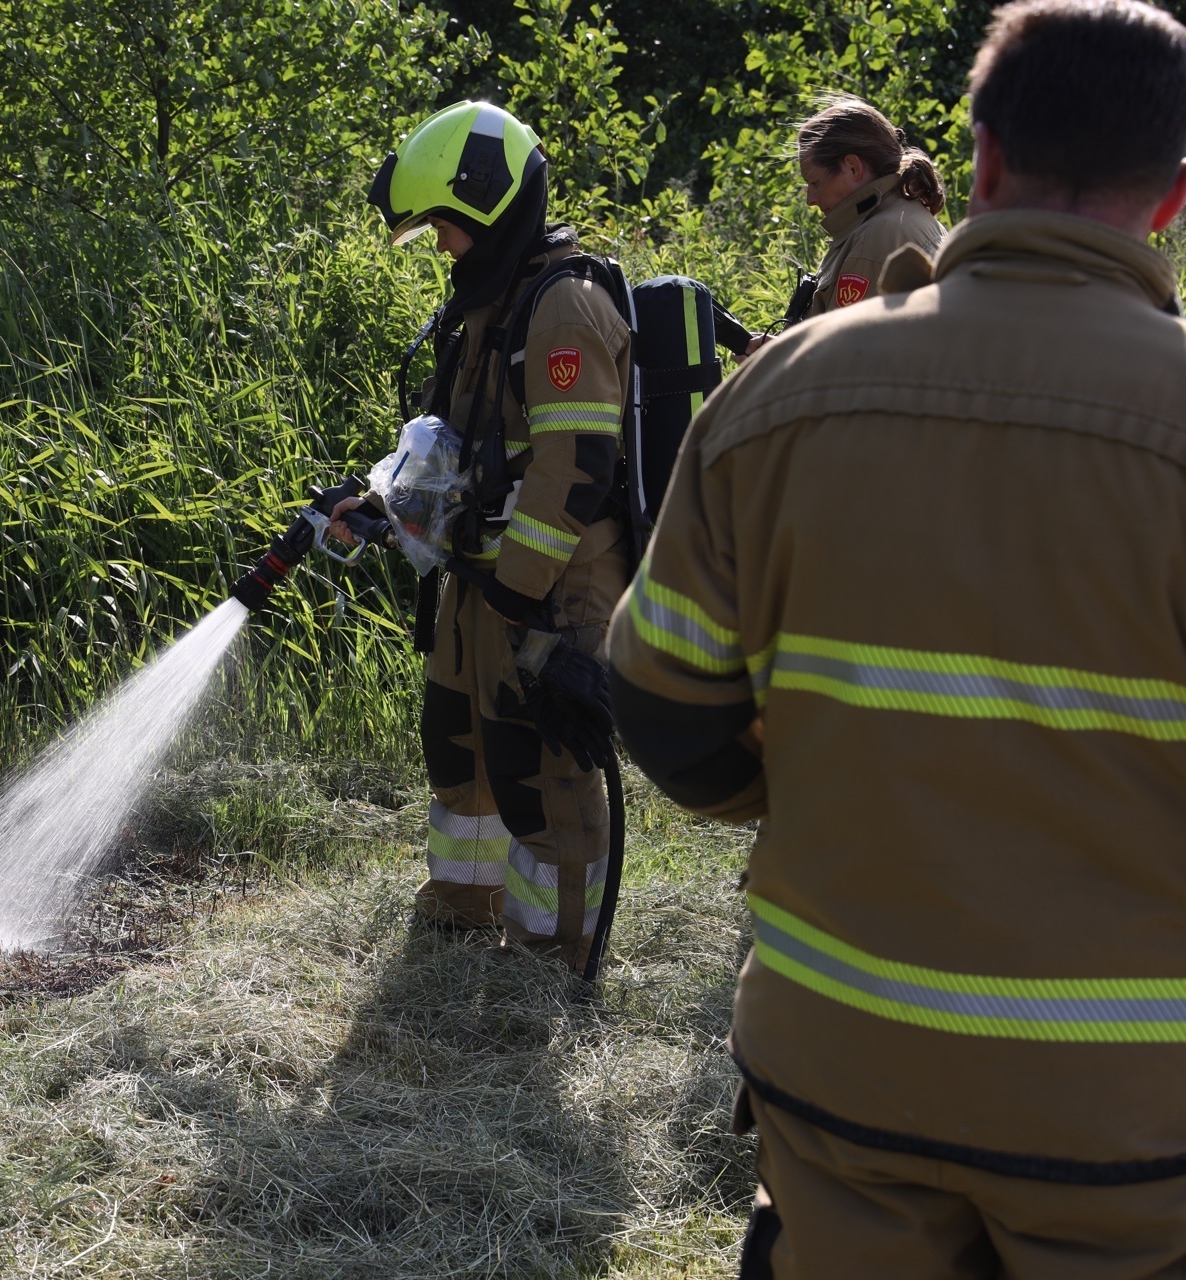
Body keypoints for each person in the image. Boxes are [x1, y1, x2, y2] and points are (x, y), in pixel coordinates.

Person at [608, 0, 1186, 1274]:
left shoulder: (783, 391)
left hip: (840, 1074)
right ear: (1173, 198)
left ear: (977, 162)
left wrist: (807, 781)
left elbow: (656, 694)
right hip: (1134, 1121)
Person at [346, 101, 630, 967]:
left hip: (550, 587)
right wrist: (379, 502)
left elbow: (571, 468)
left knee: (542, 772)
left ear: (493, 209)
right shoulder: (488, 306)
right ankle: (463, 907)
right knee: (462, 744)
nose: (439, 247)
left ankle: (555, 949)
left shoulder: (564, 308)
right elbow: (454, 448)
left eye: (445, 226)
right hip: (483, 578)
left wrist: (519, 587)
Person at [745, 95, 947, 357]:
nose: (810, 199)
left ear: (852, 168)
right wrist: (779, 352)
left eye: (815, 182)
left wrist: (773, 367)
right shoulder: (905, 215)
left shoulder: (876, 236)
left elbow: (840, 364)